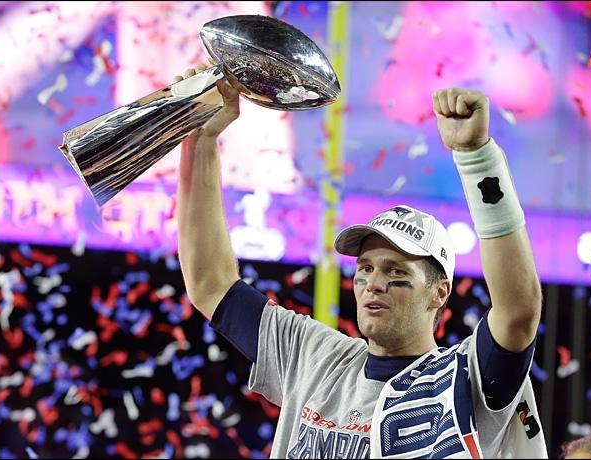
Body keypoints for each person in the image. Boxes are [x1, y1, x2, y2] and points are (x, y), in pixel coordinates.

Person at [174, 63, 547, 458]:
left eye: (396, 271)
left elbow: (518, 311)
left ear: (439, 293)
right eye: (365, 268)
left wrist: (477, 160)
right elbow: (210, 284)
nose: (374, 283)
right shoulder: (315, 357)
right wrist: (201, 139)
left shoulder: (465, 378)